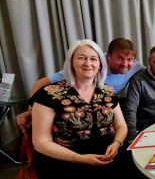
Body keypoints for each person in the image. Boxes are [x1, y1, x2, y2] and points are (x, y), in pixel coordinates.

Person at [30, 39, 149, 179]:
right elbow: (41, 142)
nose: (88, 63)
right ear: (71, 62)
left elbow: (121, 126)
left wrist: (116, 143)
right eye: (82, 57)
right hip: (64, 158)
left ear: (100, 64)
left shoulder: (106, 92)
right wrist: (79, 158)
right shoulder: (49, 94)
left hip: (107, 150)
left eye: (93, 58)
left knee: (140, 177)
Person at [16, 38, 145, 133]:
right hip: (73, 117)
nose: (125, 64)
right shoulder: (90, 65)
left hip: (102, 117)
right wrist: (32, 111)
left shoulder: (135, 66)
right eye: (119, 58)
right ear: (107, 57)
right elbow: (40, 83)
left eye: (129, 60)